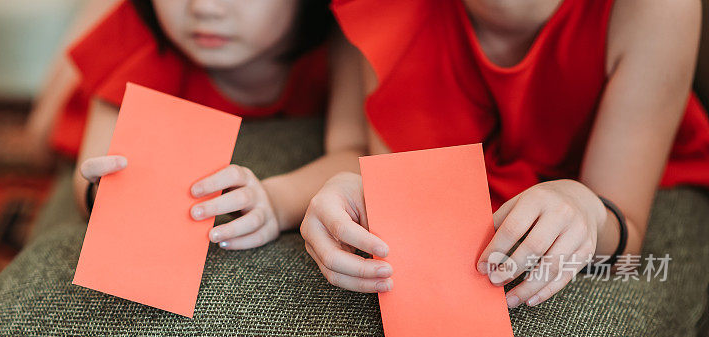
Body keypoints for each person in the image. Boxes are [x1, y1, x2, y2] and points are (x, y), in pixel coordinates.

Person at [301, 0, 709, 307]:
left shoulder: (655, 11)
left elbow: (623, 235)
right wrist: (361, 192)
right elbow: (405, 190)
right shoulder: (393, 11)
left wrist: (587, 208)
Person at [68, 0, 367, 250]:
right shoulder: (137, 33)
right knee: (46, 129)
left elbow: (355, 152)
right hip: (79, 113)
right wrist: (106, 194)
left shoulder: (347, 36)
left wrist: (275, 201)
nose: (205, 8)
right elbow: (92, 169)